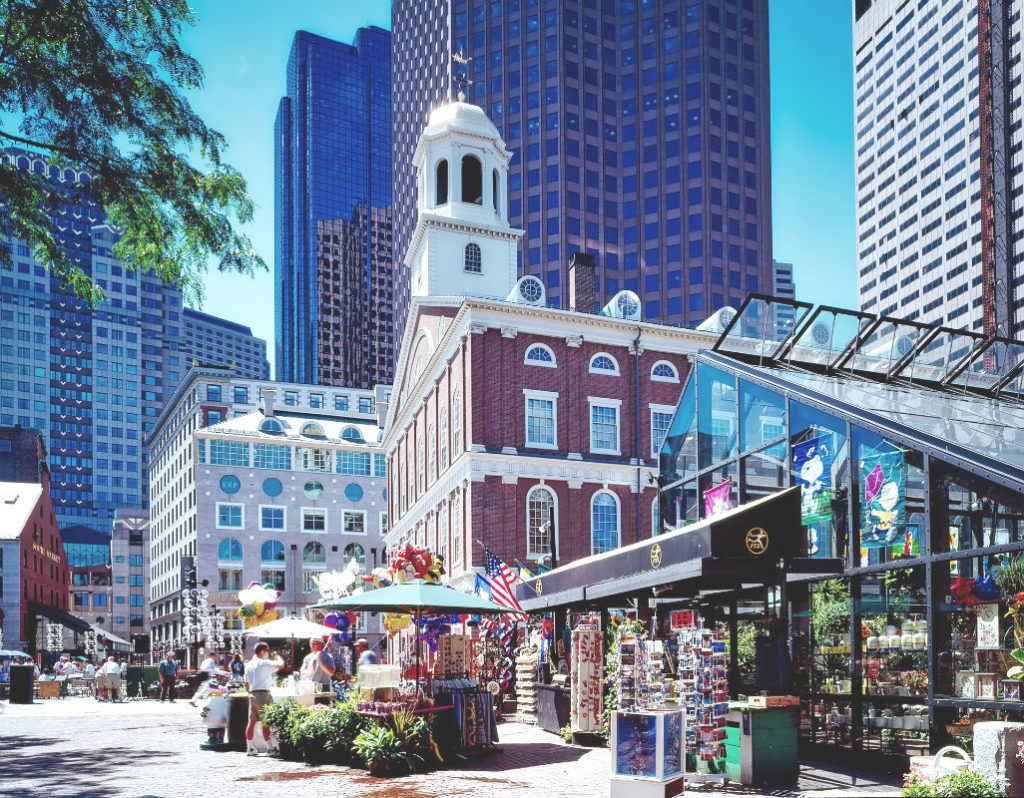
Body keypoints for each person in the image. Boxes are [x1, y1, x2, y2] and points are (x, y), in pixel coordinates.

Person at [244, 642, 283, 756]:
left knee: (252, 722)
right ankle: (270, 749)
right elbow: (281, 665)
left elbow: (246, 684)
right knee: (265, 723)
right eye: (266, 651)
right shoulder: (264, 663)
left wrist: (250, 692)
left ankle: (250, 748)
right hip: (263, 694)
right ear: (262, 651)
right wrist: (278, 657)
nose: (267, 653)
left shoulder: (249, 664)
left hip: (252, 694)